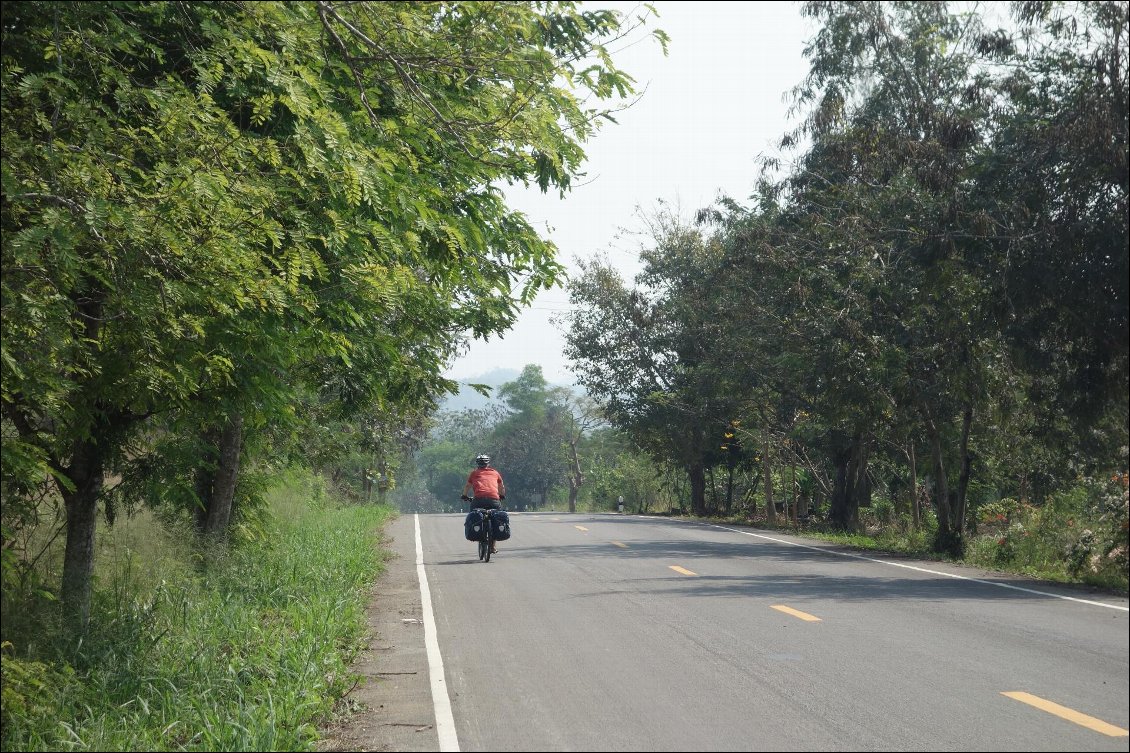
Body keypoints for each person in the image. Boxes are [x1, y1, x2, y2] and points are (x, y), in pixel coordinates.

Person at [461, 454, 506, 553]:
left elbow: (467, 486)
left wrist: (464, 496)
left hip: (478, 500)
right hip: (494, 500)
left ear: (477, 464)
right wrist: (501, 496)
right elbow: (501, 487)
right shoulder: (495, 473)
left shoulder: (474, 473)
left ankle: (479, 534)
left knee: (474, 514)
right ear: (488, 464)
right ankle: (493, 546)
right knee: (496, 518)